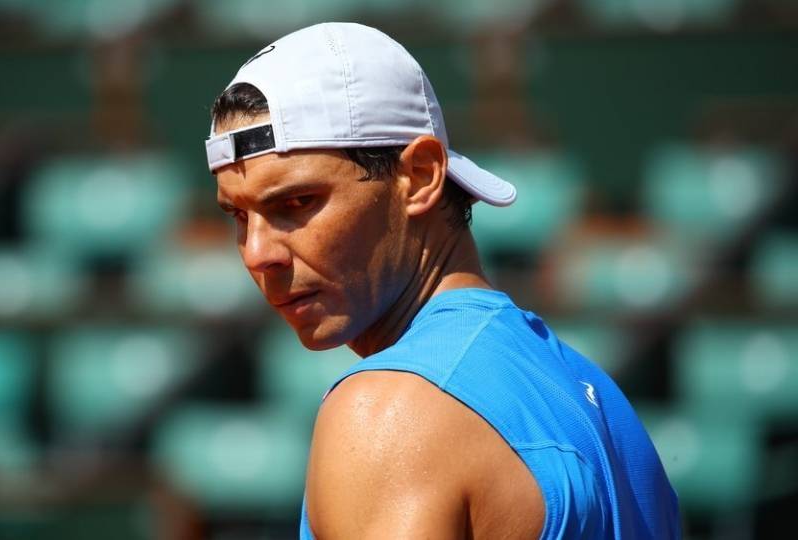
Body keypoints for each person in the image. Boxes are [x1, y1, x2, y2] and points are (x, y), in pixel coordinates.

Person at [204, 22, 680, 539]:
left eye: (297, 204)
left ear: (421, 176)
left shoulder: (388, 410)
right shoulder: (601, 400)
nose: (257, 254)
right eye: (238, 217)